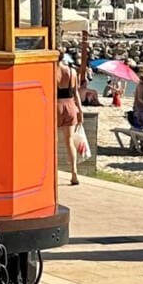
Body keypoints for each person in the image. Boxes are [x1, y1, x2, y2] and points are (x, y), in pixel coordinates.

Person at [56, 52, 84, 185]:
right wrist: (80, 110)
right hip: (71, 105)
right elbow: (76, 92)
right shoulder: (72, 71)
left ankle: (51, 172)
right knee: (69, 141)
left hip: (56, 106)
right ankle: (74, 173)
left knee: (51, 142)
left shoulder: (52, 72)